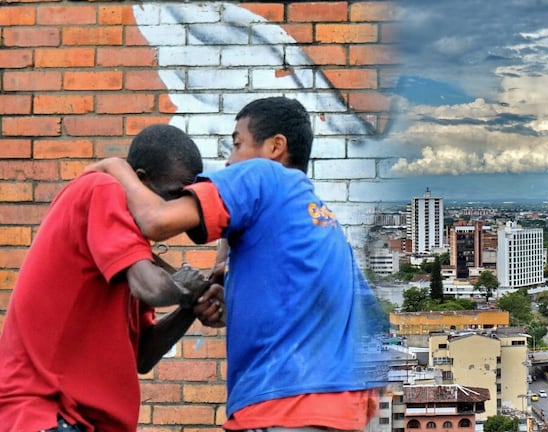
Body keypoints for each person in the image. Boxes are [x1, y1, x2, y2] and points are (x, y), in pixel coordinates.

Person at [87, 96, 387, 432]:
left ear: (275, 147)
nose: (229, 161)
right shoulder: (323, 225)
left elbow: (156, 220)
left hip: (283, 406)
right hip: (343, 413)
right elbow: (373, 325)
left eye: (237, 143)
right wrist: (233, 291)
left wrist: (117, 168)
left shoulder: (264, 175)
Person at [0, 124, 225, 432]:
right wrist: (192, 289)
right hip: (43, 412)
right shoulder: (102, 189)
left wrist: (191, 307)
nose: (177, 212)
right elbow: (151, 288)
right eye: (173, 195)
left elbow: (143, 355)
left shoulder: (129, 248)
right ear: (140, 180)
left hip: (81, 421)